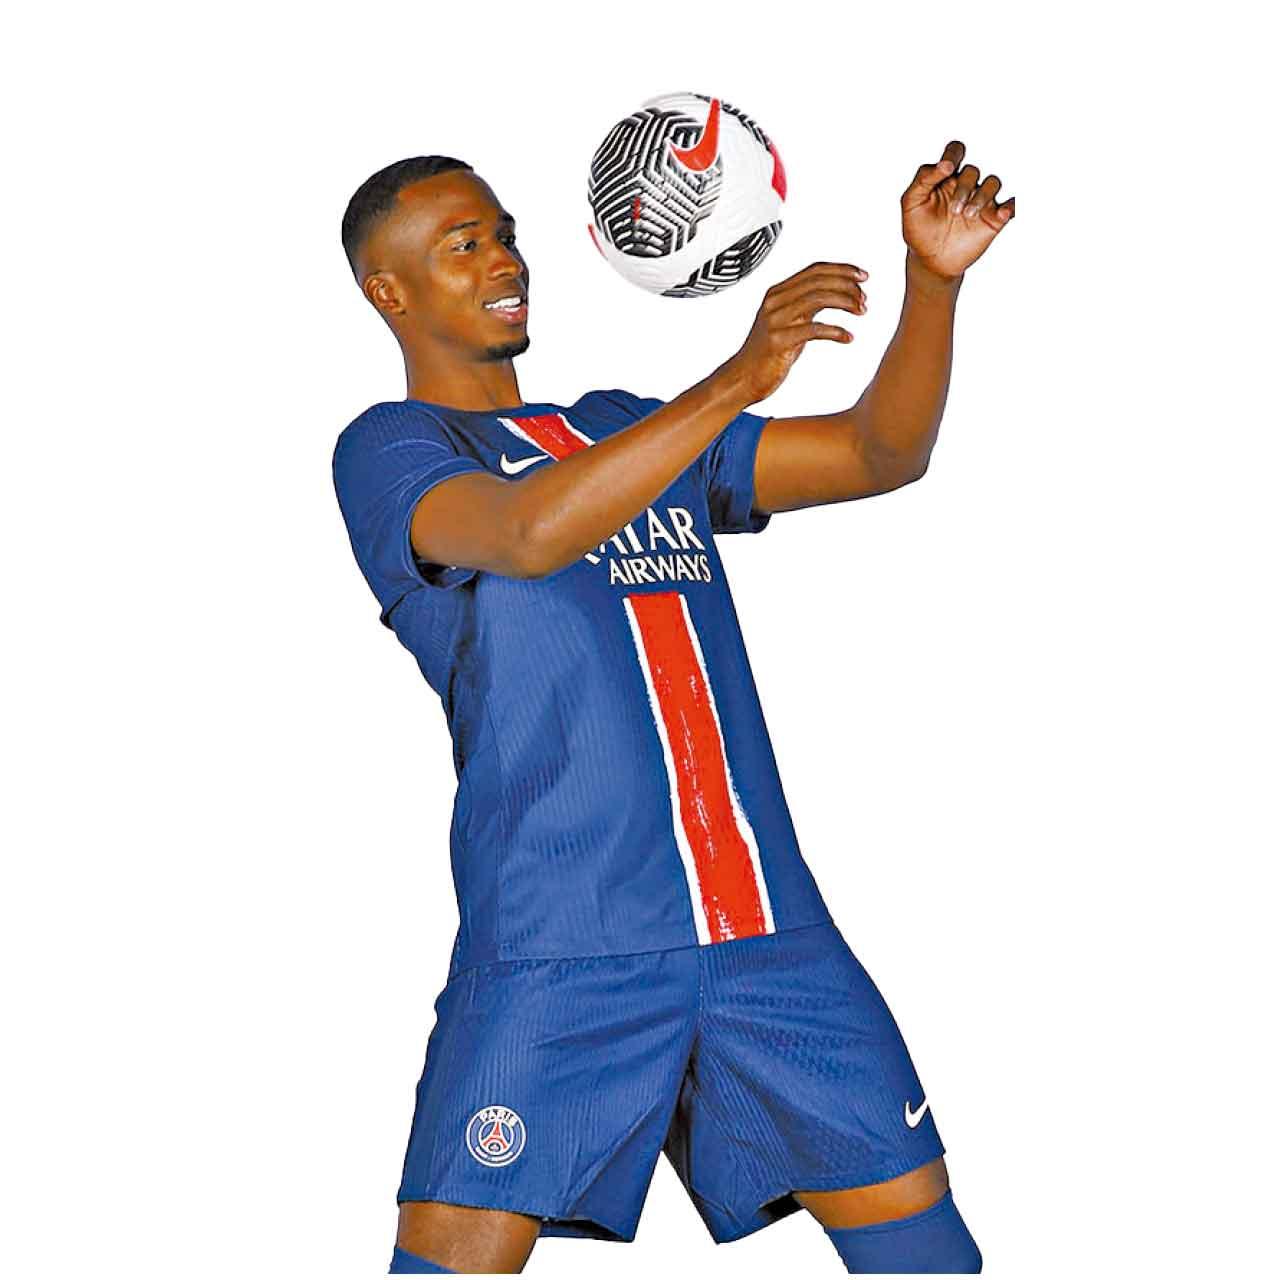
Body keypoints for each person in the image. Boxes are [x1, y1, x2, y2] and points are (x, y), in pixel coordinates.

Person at [332, 138, 1012, 1274]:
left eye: (506, 234)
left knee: (927, 1250)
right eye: (464, 244)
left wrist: (931, 284)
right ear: (387, 292)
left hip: (770, 934)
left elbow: (876, 451)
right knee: (452, 1258)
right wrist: (735, 379)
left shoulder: (624, 425)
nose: (503, 259)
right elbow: (525, 532)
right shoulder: (393, 449)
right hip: (561, 946)